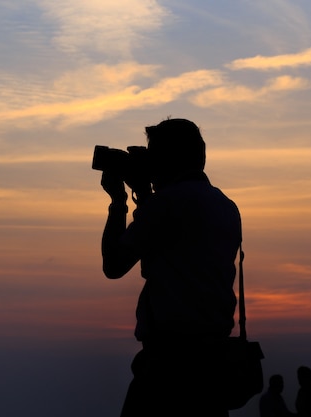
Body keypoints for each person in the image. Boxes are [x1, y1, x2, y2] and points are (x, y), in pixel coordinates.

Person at [100, 118, 242, 416]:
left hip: (169, 364)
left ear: (168, 159)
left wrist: (118, 202)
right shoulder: (224, 204)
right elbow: (176, 241)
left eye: (153, 154)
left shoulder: (167, 204)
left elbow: (114, 264)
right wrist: (146, 194)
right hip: (212, 363)